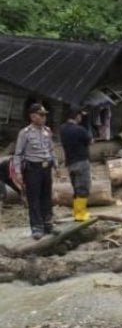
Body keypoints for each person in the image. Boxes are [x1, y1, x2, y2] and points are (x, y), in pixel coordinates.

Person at [14, 103, 60, 240]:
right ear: (33, 116)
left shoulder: (47, 131)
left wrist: (56, 166)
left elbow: (51, 149)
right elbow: (18, 154)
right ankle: (36, 227)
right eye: (41, 115)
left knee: (46, 197)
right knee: (34, 198)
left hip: (46, 168)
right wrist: (18, 173)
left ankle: (48, 224)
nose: (44, 117)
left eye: (45, 115)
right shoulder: (25, 133)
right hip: (32, 168)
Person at [59, 107, 93, 221]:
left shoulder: (62, 129)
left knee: (76, 189)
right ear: (77, 116)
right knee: (83, 188)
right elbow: (90, 141)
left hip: (70, 163)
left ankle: (76, 212)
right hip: (82, 162)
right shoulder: (80, 130)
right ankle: (81, 214)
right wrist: (86, 122)